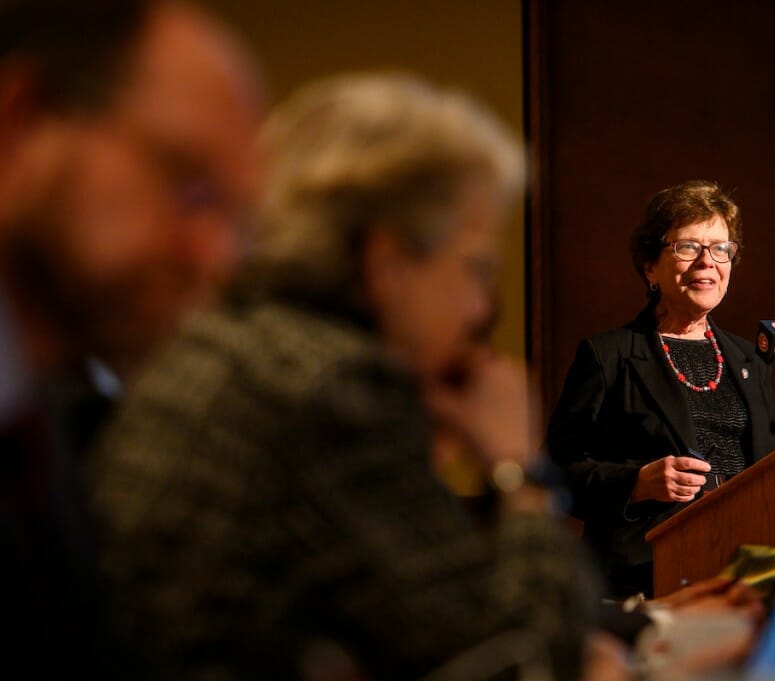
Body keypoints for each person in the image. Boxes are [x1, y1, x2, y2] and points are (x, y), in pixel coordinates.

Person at [89, 73, 601, 681]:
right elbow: (523, 667)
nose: (482, 308)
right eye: (476, 267)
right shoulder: (329, 387)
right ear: (387, 264)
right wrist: (520, 469)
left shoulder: (232, 348)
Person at [0, 0, 263, 672]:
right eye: (190, 186)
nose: (212, 257)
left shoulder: (51, 416)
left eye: (234, 219)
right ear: (20, 122)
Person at [546, 180, 775, 599]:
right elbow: (556, 473)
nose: (707, 262)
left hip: (743, 577)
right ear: (650, 266)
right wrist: (636, 483)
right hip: (647, 577)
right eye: (687, 247)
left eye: (721, 248)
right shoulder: (609, 356)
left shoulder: (750, 362)